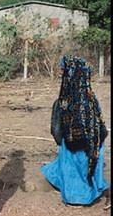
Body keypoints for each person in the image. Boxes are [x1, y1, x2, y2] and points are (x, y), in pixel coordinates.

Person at [41, 56, 109, 205]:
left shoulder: (64, 101)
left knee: (70, 167)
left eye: (63, 71)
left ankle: (76, 197)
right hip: (94, 142)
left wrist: (61, 142)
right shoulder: (91, 97)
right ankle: (92, 192)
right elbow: (100, 124)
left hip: (73, 144)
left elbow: (56, 128)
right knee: (87, 166)